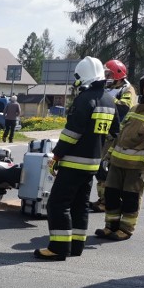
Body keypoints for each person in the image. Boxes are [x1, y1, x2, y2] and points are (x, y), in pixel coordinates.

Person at [34, 56, 118, 260]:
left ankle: (58, 248)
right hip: (92, 163)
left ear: (83, 77)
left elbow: (72, 132)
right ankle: (76, 246)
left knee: (57, 204)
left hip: (74, 161)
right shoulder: (109, 100)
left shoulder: (84, 99)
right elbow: (115, 131)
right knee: (80, 204)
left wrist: (57, 154)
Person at [95, 69, 144, 241]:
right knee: (111, 195)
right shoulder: (135, 108)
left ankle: (126, 229)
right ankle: (110, 226)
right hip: (117, 162)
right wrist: (108, 156)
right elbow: (120, 135)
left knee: (131, 199)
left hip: (135, 167)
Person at [89, 59, 138, 212]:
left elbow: (124, 108)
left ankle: (106, 201)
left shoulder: (127, 89)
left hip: (115, 136)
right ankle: (103, 198)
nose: (107, 76)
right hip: (103, 132)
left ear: (118, 73)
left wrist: (106, 99)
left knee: (104, 167)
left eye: (109, 73)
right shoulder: (108, 87)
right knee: (99, 167)